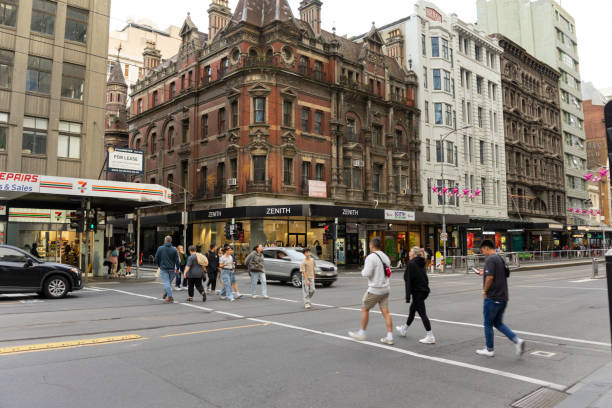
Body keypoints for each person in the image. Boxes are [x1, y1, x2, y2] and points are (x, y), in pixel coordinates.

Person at [476, 240, 525, 357]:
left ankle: (489, 349)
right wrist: (484, 272)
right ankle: (517, 341)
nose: (483, 253)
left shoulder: (490, 259)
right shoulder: (500, 258)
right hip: (503, 296)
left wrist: (484, 290)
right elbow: (501, 274)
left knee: (487, 323)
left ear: (487, 248)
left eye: (483, 250)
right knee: (498, 323)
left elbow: (490, 277)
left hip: (493, 297)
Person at [349, 237, 394, 345]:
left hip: (375, 289)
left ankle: (362, 333)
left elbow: (366, 273)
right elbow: (389, 271)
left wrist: (363, 271)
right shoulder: (385, 257)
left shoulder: (371, 257)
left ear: (371, 245)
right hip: (385, 288)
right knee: (386, 312)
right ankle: (390, 336)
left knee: (365, 309)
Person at [396, 247, 435, 344]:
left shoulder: (412, 263)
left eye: (410, 251)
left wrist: (408, 296)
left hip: (418, 292)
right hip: (423, 291)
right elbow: (424, 278)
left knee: (422, 313)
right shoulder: (421, 262)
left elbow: (407, 279)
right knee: (412, 311)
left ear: (414, 254)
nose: (409, 253)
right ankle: (404, 329)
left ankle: (430, 336)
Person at [154, 236, 180, 303]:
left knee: (166, 283)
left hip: (164, 268)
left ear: (165, 241)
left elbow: (156, 258)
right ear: (171, 241)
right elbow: (177, 260)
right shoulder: (174, 249)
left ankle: (170, 297)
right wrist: (178, 268)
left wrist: (159, 265)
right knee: (168, 283)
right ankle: (166, 293)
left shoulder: (160, 248)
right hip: (172, 269)